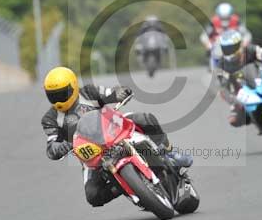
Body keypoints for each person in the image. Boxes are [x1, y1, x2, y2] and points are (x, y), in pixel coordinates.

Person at [41, 66, 192, 207]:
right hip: (93, 156)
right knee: (93, 196)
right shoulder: (50, 118)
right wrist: (61, 147)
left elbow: (109, 93)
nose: (59, 100)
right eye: (53, 96)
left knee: (146, 118)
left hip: (114, 127)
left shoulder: (88, 92)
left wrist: (119, 93)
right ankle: (126, 186)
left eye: (62, 93)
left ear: (73, 86)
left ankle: (169, 151)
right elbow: (51, 146)